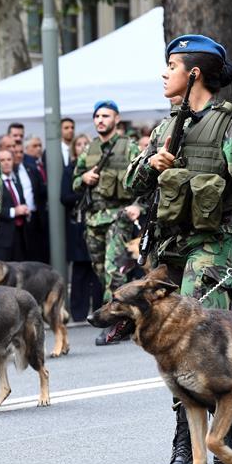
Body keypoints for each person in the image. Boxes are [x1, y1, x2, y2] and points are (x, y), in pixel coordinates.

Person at [125, 34, 232, 464]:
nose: (165, 74)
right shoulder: (164, 129)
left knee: (194, 344)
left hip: (214, 244)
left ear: (194, 73)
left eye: (172, 66)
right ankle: (230, 421)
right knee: (168, 343)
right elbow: (131, 184)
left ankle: (189, 440)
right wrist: (150, 165)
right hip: (169, 246)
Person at [72, 99, 141, 344]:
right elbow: (74, 184)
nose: (100, 120)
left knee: (114, 271)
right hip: (94, 220)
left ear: (116, 119)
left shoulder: (130, 148)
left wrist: (137, 205)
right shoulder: (88, 150)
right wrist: (84, 178)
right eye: (97, 116)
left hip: (118, 217)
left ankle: (113, 323)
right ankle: (127, 314)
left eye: (106, 116)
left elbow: (143, 180)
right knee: (101, 270)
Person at [60, 134, 103, 321]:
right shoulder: (70, 170)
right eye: (79, 144)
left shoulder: (100, 168)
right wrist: (84, 192)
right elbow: (65, 197)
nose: (83, 147)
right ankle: (78, 314)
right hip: (78, 226)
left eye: (87, 144)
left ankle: (100, 311)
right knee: (79, 271)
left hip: (98, 223)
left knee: (97, 269)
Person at [0, 149, 30, 261]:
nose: (6, 163)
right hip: (0, 239)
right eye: (2, 160)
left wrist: (25, 209)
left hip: (19, 236)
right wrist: (13, 211)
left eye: (9, 159)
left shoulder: (15, 181)